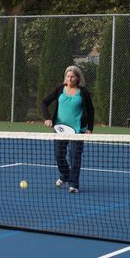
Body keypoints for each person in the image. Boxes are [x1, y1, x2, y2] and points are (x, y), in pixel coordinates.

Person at [40, 65, 94, 193]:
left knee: (75, 157)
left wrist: (89, 128)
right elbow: (44, 102)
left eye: (72, 76)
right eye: (68, 76)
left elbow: (91, 110)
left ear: (78, 78)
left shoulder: (83, 92)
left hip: (78, 130)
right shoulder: (59, 89)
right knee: (59, 156)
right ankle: (65, 175)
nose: (70, 78)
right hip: (60, 130)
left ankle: (73, 184)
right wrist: (47, 118)